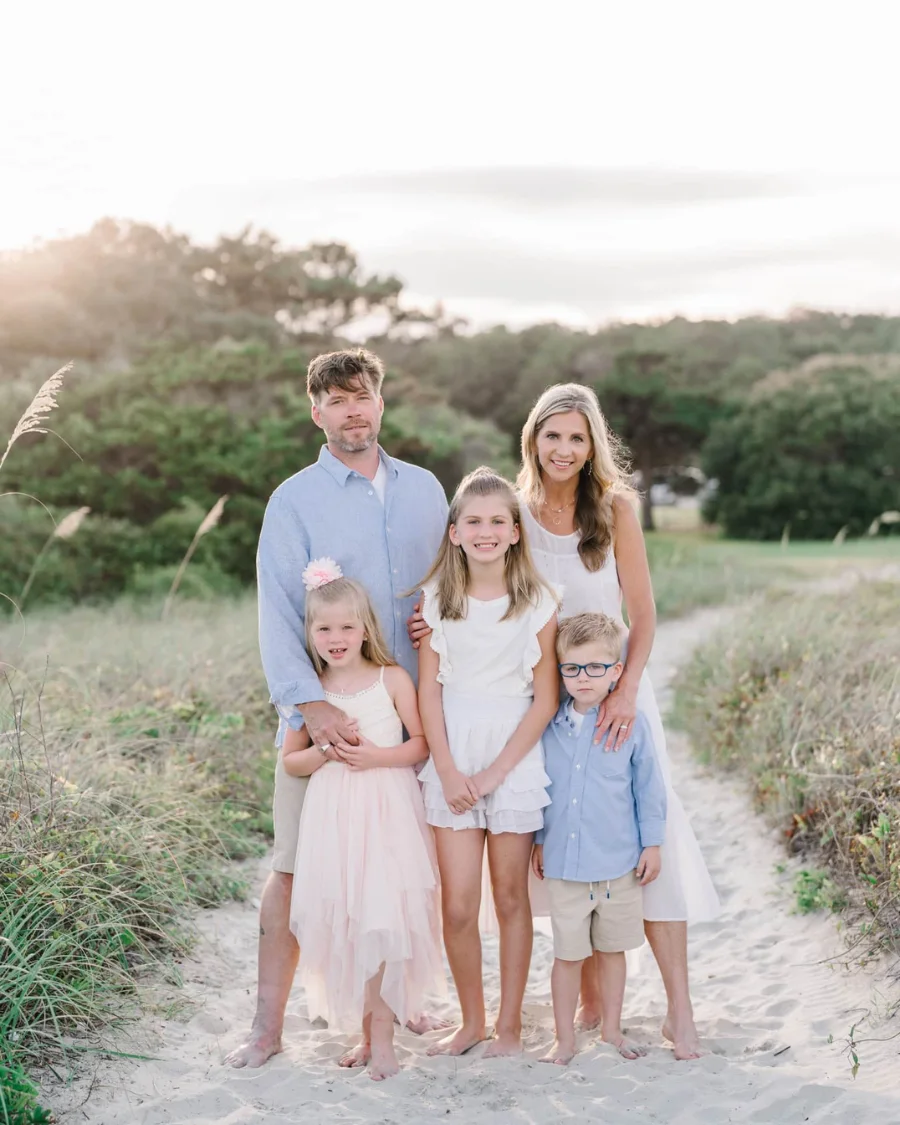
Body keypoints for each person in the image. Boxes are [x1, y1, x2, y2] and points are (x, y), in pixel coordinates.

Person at [408, 382, 720, 1060]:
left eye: (577, 437)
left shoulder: (614, 509)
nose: (564, 448)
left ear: (593, 444)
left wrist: (626, 690)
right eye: (552, 435)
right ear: (533, 439)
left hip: (613, 698)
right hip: (542, 710)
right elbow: (475, 588)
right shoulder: (511, 512)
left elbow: (643, 611)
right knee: (562, 850)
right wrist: (430, 623)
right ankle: (582, 1001)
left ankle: (680, 1009)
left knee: (651, 841)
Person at [226, 348, 448, 1069]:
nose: (354, 409)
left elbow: (451, 584)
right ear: (316, 410)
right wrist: (311, 705)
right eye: (337, 399)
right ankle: (267, 1024)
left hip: (414, 715)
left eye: (365, 395)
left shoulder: (424, 490)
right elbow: (279, 612)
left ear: (382, 402)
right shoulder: (294, 499)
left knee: (410, 868)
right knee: (294, 870)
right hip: (325, 715)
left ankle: (401, 1002)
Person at [415, 466, 560, 1058]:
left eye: (498, 520)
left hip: (514, 756)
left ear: (516, 531)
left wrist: (497, 774)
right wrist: (448, 770)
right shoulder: (435, 604)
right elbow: (428, 691)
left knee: (509, 898)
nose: (486, 530)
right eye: (473, 521)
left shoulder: (540, 603)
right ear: (454, 533)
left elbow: (546, 697)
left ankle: (508, 1026)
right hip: (454, 749)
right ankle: (471, 1020)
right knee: (456, 903)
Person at [284, 563, 444, 1081]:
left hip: (387, 807)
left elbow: (421, 745)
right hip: (333, 815)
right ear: (308, 632)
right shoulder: (310, 691)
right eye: (323, 628)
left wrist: (376, 756)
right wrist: (327, 751)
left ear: (366, 628)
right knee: (348, 919)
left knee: (384, 915)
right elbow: (291, 761)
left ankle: (382, 1035)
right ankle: (361, 1029)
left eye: (347, 627)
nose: (335, 638)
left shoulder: (391, 678)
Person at [533, 612, 666, 1065]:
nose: (582, 677)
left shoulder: (631, 725)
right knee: (567, 956)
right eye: (571, 668)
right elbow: (541, 789)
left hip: (619, 865)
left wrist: (652, 843)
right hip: (565, 868)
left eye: (595, 667)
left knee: (612, 952)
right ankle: (564, 1039)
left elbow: (648, 787)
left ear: (616, 671)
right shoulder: (548, 725)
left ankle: (611, 1029)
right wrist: (536, 840)